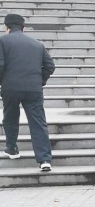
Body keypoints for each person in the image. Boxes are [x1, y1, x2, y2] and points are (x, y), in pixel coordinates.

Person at [0, 13, 55, 171]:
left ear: (7, 27)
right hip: (33, 89)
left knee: (10, 117)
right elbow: (50, 66)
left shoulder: (2, 41)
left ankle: (11, 148)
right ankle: (44, 159)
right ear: (23, 28)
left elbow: (0, 65)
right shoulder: (37, 44)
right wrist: (40, 81)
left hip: (10, 88)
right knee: (38, 122)